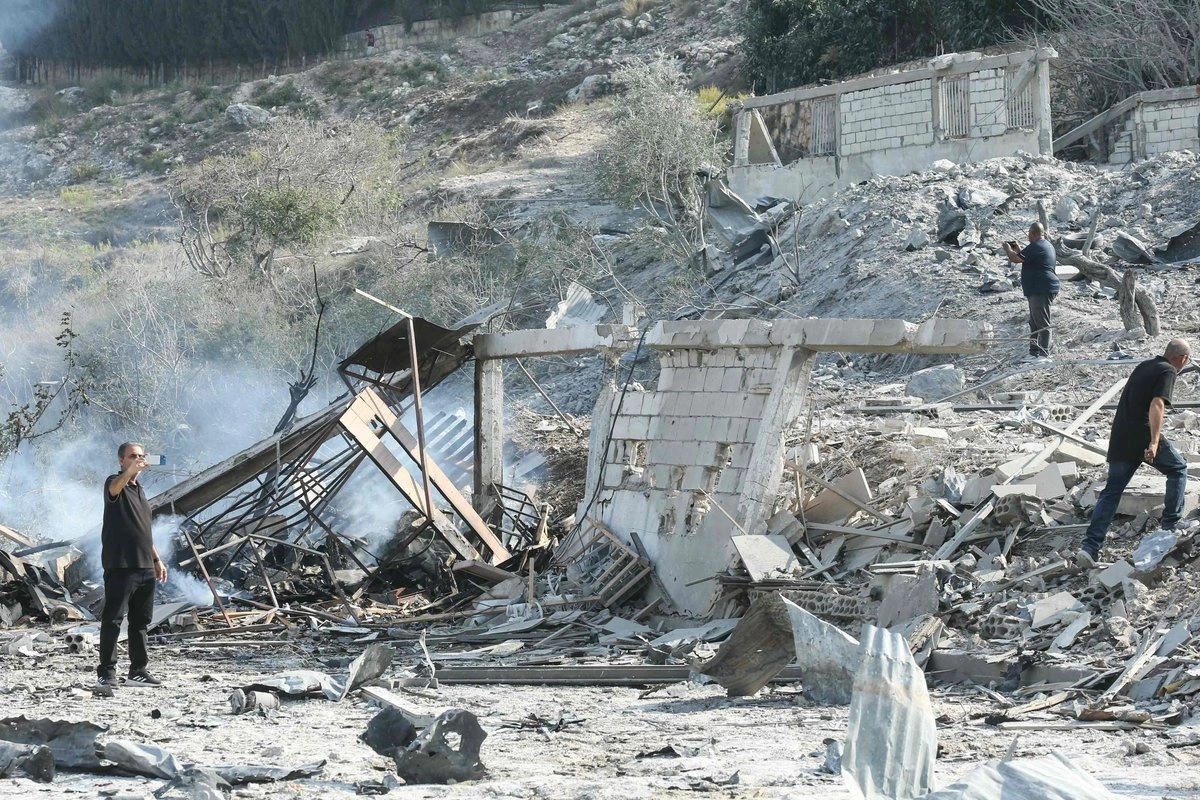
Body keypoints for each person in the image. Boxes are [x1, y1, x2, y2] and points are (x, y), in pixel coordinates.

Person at [1077, 339, 1192, 567]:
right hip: (1142, 435)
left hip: (1121, 436)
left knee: (1111, 491)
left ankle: (1089, 547)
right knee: (1178, 469)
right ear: (1183, 358)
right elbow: (1157, 405)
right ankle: (1170, 526)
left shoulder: (1144, 366)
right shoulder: (1168, 370)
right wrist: (1154, 442)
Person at [95, 442, 168, 696]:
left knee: (140, 622)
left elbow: (144, 531)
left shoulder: (141, 491)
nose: (138, 459)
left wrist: (157, 560)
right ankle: (106, 673)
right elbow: (115, 488)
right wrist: (129, 472)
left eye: (141, 456)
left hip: (145, 565)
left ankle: (138, 670)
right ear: (121, 460)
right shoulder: (114, 482)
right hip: (121, 565)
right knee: (113, 620)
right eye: (132, 456)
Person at [1003, 222, 1059, 362]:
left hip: (1041, 288)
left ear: (1033, 233)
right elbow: (1024, 257)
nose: (1028, 236)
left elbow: (1015, 259)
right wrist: (1017, 249)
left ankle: (1044, 354)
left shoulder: (1037, 246)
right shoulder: (1044, 245)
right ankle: (1034, 352)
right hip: (1038, 288)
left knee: (1042, 322)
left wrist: (1008, 249)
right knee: (1034, 322)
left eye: (1029, 233)